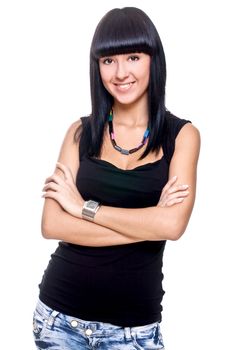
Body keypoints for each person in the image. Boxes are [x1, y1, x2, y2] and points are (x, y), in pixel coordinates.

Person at [33, 6, 200, 350]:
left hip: (133, 331)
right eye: (108, 60)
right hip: (58, 320)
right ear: (97, 67)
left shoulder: (182, 136)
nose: (121, 72)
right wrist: (146, 224)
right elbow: (51, 224)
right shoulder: (80, 133)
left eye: (133, 57)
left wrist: (82, 208)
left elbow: (172, 226)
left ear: (154, 59)